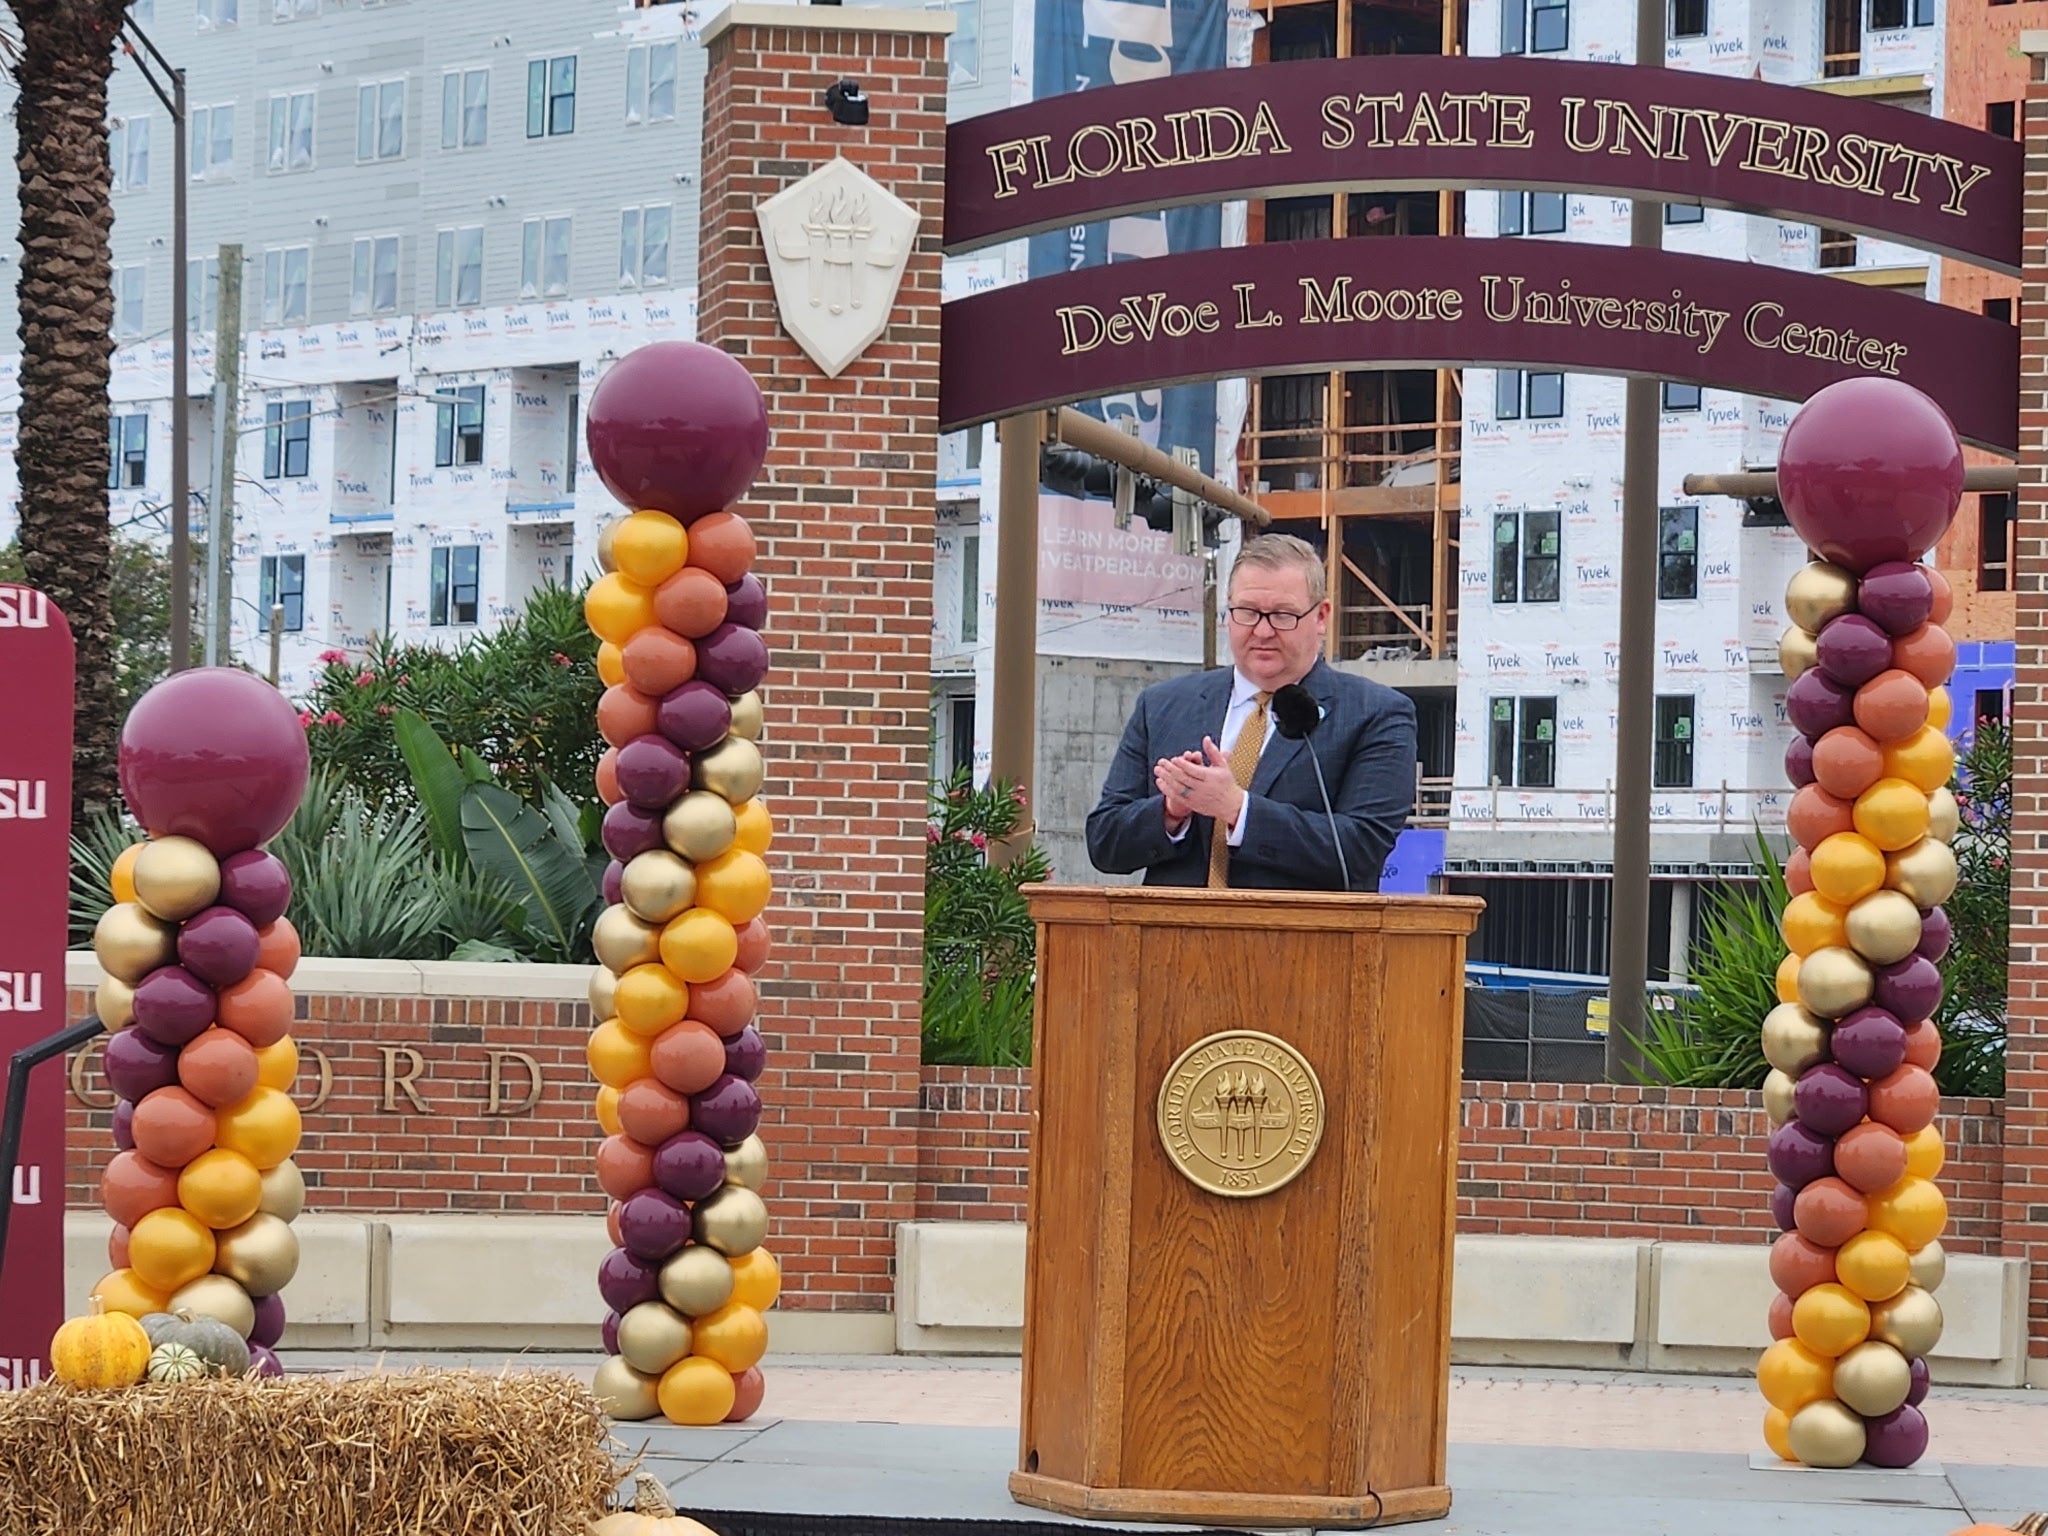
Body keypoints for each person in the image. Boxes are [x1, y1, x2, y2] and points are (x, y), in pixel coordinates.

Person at [1085, 533, 1418, 892]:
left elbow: (1359, 850)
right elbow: (1105, 842)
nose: (1262, 630)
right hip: (1171, 942)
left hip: (1305, 943)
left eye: (1282, 615)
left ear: (1320, 616)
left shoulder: (1376, 714)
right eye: (1247, 612)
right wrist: (1170, 811)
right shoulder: (1162, 706)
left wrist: (1237, 810)